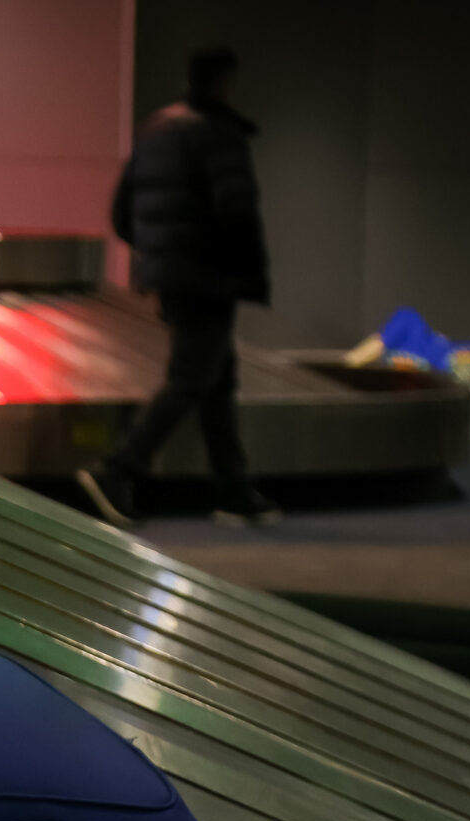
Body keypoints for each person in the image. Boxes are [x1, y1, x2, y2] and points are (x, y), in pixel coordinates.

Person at [79, 44, 283, 529]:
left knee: (217, 379)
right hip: (209, 276)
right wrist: (247, 274)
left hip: (172, 273)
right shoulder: (216, 134)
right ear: (225, 80)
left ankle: (233, 488)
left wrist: (158, 256)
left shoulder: (155, 130)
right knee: (193, 379)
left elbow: (122, 213)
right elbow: (236, 215)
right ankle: (116, 468)